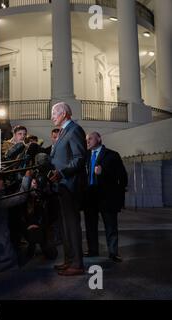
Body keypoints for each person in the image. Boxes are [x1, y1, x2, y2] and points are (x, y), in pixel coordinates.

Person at [49, 102, 87, 276]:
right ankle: (69, 260)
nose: (52, 117)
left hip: (70, 185)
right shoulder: (64, 131)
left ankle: (77, 264)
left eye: (54, 113)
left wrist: (61, 173)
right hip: (62, 185)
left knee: (71, 226)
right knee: (64, 226)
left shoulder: (75, 130)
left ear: (63, 113)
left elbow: (79, 159)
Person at [84, 132, 127, 263]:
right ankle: (92, 250)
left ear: (99, 139)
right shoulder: (85, 156)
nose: (88, 141)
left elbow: (122, 177)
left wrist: (104, 173)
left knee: (110, 225)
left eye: (90, 138)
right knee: (90, 225)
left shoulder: (112, 155)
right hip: (90, 195)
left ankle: (113, 253)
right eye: (86, 140)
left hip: (106, 196)